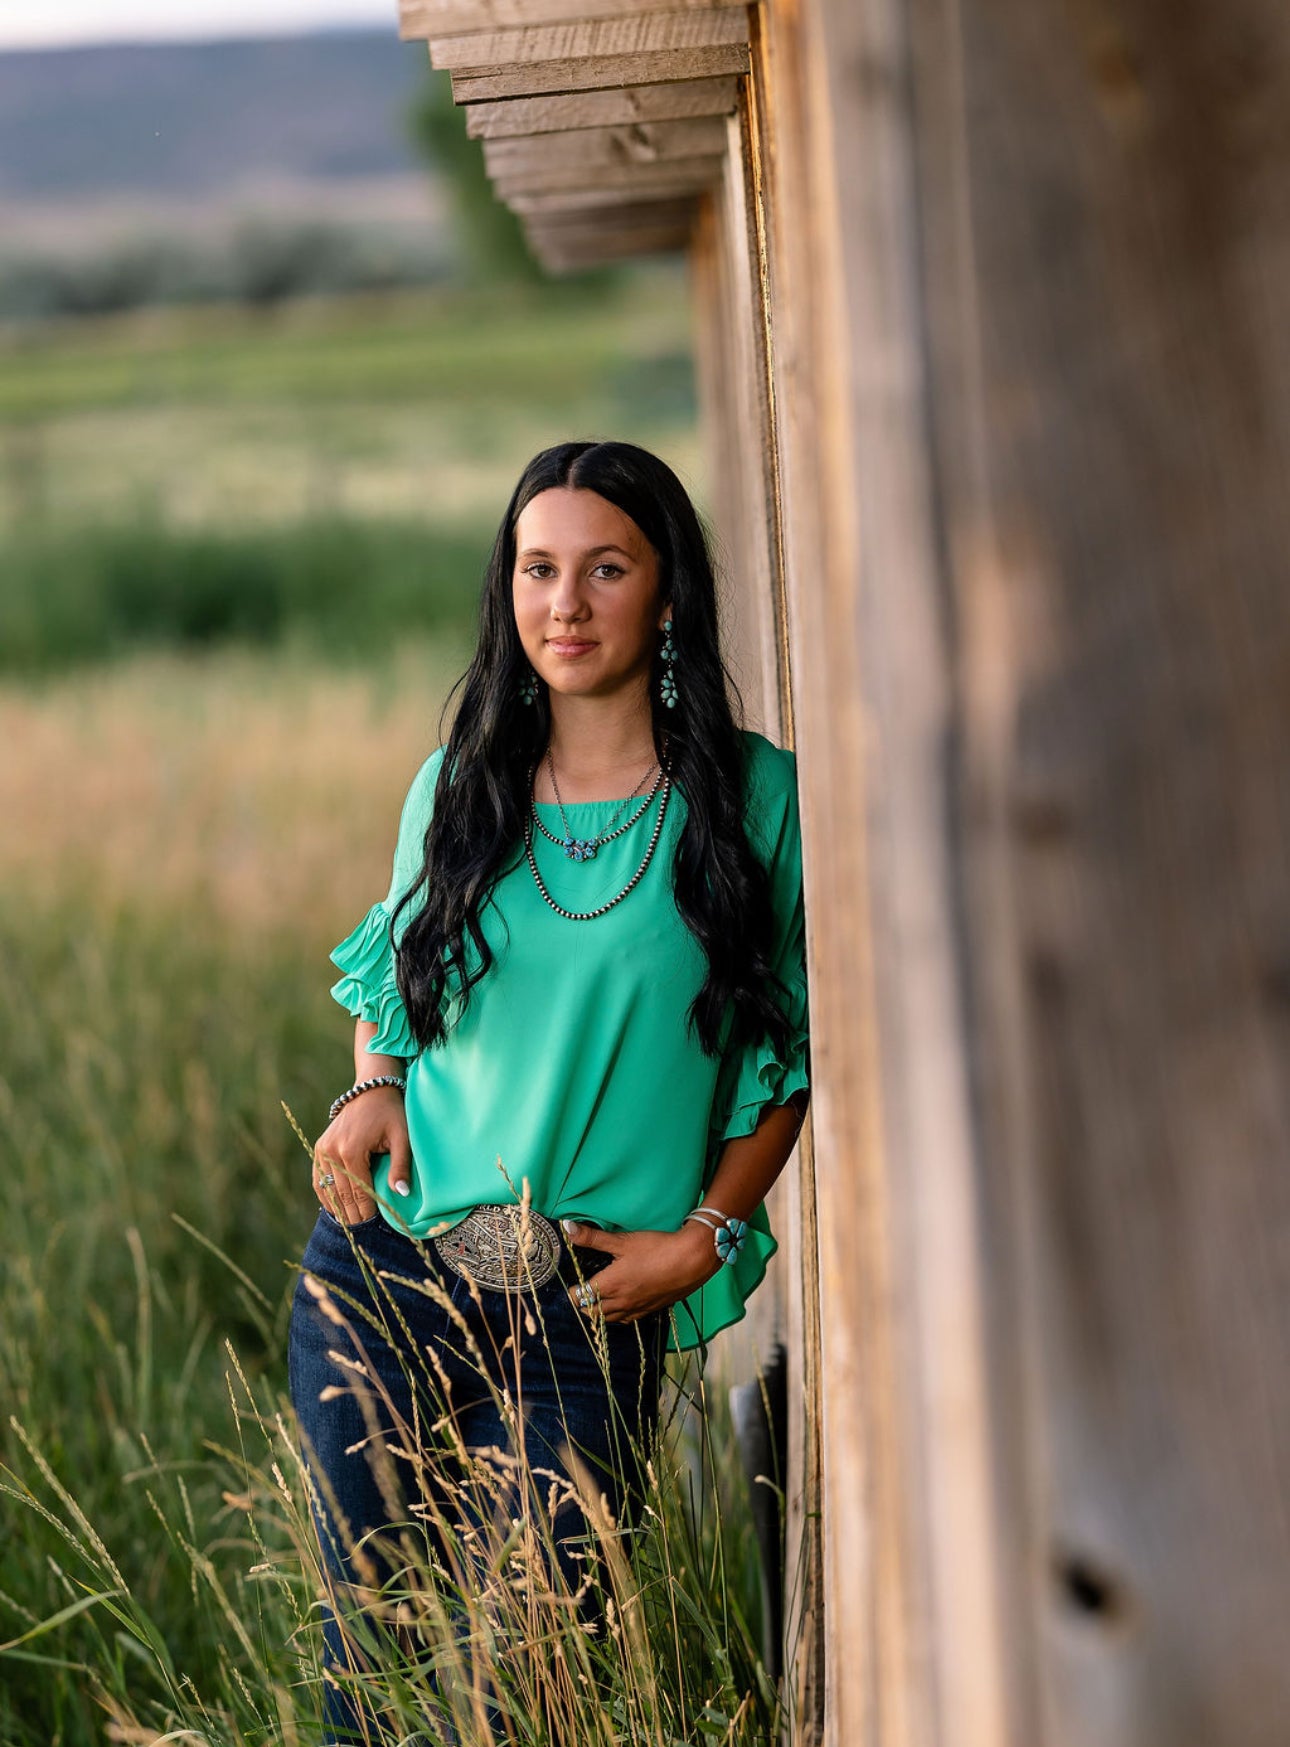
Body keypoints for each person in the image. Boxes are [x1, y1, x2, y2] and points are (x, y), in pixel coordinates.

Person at [287, 438, 810, 1743]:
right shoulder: (459, 787)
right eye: (536, 569)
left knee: (530, 1684)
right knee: (372, 1667)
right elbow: (394, 998)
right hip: (392, 1273)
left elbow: (779, 1053)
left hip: (582, 1299)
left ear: (667, 593)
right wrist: (372, 1097)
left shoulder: (754, 802)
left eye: (603, 568)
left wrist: (706, 1238)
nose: (562, 605)